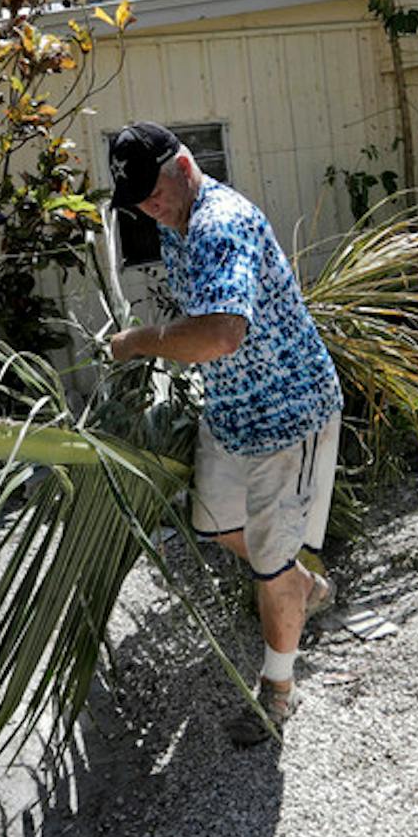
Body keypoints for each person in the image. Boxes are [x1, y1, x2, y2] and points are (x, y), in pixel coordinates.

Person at [105, 121, 340, 746]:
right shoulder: (172, 222)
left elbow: (221, 334)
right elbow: (202, 317)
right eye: (138, 203)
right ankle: (303, 584)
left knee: (266, 563)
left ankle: (278, 693)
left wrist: (139, 344)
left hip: (290, 414)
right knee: (212, 523)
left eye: (153, 192)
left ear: (184, 166)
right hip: (234, 410)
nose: (149, 208)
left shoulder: (219, 225)